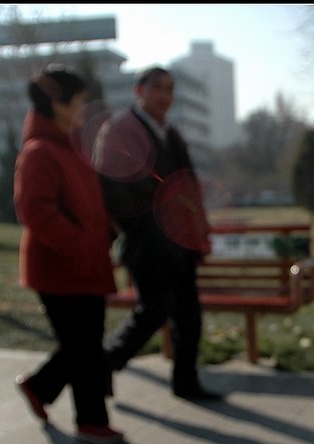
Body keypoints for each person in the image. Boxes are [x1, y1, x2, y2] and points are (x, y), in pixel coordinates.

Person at [94, 66, 223, 403]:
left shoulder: (170, 132)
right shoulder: (121, 131)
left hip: (179, 246)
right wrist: (152, 232)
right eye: (158, 88)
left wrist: (198, 232)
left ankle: (186, 383)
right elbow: (117, 193)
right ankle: (104, 363)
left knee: (189, 318)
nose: (165, 96)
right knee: (153, 311)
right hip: (147, 246)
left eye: (170, 89)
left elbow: (188, 186)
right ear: (139, 91)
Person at [13, 64, 124, 444]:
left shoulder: (71, 147)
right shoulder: (39, 151)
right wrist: (80, 243)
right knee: (85, 347)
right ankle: (91, 422)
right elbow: (36, 211)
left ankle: (39, 388)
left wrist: (106, 232)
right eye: (78, 100)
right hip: (59, 268)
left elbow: (88, 203)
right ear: (57, 103)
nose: (83, 108)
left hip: (86, 264)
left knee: (84, 341)